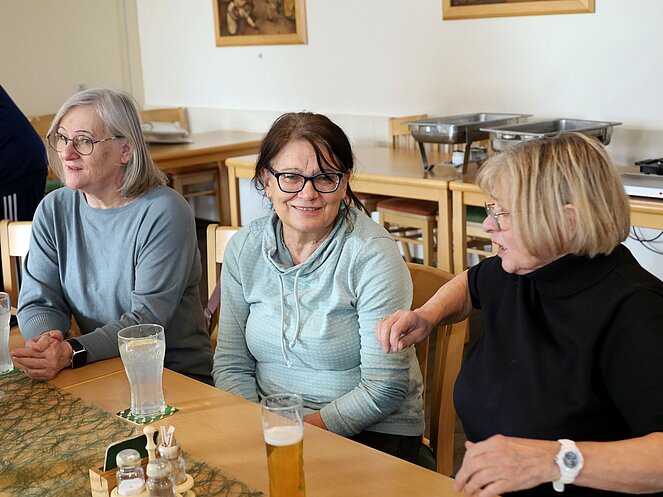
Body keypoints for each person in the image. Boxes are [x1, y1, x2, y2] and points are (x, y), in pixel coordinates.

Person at [377, 133, 663, 497]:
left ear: (567, 221)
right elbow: (470, 283)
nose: (488, 225)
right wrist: (428, 315)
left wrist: (555, 460)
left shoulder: (636, 310)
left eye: (503, 214)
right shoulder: (519, 270)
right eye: (491, 209)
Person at [212, 112, 424, 462]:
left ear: (344, 182)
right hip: (271, 426)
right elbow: (232, 365)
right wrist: (257, 429)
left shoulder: (371, 254)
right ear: (266, 180)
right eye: (290, 177)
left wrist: (294, 434)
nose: (308, 193)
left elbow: (384, 387)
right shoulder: (245, 248)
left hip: (370, 433)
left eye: (325, 178)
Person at [11, 88, 213, 384]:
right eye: (63, 138)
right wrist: (47, 342)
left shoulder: (164, 211)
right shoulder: (54, 209)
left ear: (125, 150)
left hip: (170, 377)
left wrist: (70, 352)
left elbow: (145, 321)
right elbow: (39, 301)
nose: (66, 153)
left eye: (84, 141)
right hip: (96, 370)